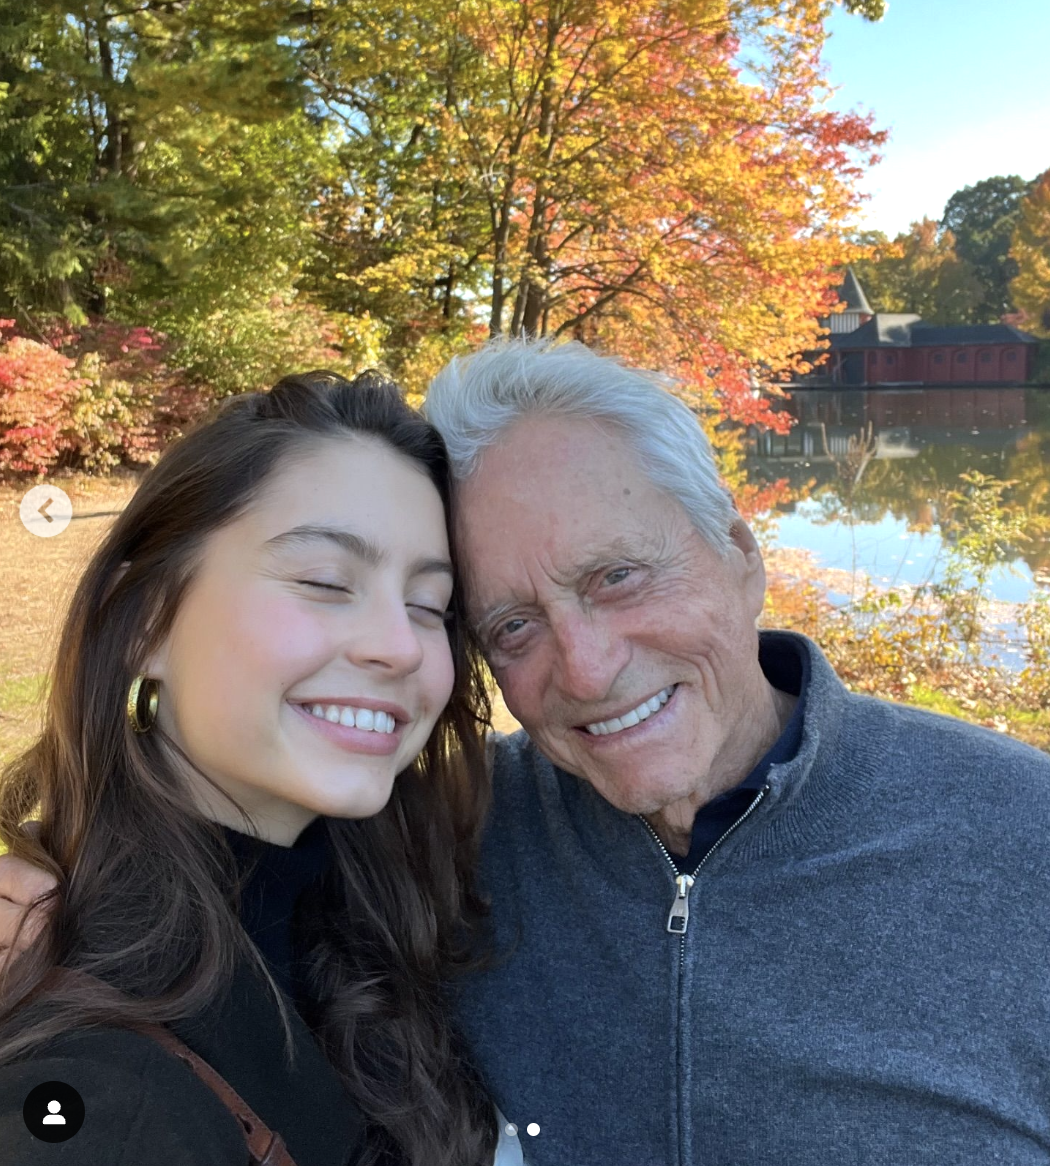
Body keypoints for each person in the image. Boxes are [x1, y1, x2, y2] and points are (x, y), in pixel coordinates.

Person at [5, 340, 1050, 1164]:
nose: (587, 669)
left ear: (739, 555)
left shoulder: (1021, 842)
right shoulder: (446, 836)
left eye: (619, 576)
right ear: (143, 617)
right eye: (507, 624)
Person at [0, 370, 514, 1166]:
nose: (401, 645)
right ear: (145, 621)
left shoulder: (389, 905)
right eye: (324, 581)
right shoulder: (83, 1065)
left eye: (431, 606)